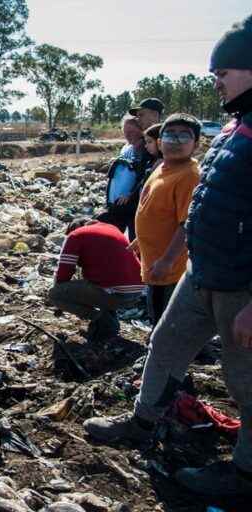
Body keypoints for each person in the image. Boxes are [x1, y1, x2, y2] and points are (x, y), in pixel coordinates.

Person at [84, 14, 252, 496]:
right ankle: (142, 421)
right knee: (164, 343)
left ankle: (244, 474)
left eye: (225, 69)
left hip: (240, 284)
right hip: (202, 272)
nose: (216, 78)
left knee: (244, 381)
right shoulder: (238, 126)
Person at [129, 114, 201, 327]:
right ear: (160, 143)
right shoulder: (163, 167)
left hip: (170, 269)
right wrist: (140, 240)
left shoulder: (189, 175)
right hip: (154, 261)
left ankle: (162, 357)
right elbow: (154, 209)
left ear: (195, 145)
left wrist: (167, 260)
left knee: (167, 321)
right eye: (170, 135)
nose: (176, 142)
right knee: (157, 312)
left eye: (183, 136)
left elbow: (187, 224)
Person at [49, 218, 144, 342]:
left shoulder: (75, 235)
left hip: (116, 292)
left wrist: (60, 302)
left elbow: (64, 272)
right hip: (137, 291)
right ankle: (111, 325)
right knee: (97, 286)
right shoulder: (112, 228)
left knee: (55, 294)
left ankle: (100, 319)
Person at [97, 116, 145, 240]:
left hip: (131, 203)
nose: (128, 135)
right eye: (125, 132)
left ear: (141, 130)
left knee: (133, 240)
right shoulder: (126, 148)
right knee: (112, 238)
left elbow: (144, 177)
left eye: (131, 132)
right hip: (116, 202)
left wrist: (130, 194)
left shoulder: (145, 149)